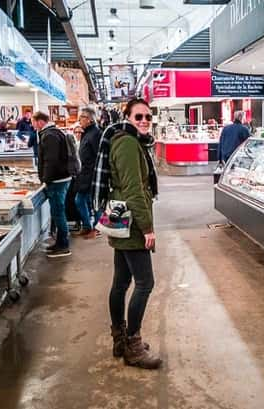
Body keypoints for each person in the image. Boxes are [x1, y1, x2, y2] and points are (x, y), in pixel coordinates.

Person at [106, 98, 161, 369]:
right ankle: (133, 346)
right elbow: (134, 191)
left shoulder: (128, 141)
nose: (143, 121)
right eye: (138, 116)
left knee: (121, 282)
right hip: (131, 224)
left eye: (148, 117)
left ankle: (119, 337)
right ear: (127, 117)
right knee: (145, 283)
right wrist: (147, 228)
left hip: (123, 222)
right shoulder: (128, 144)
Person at [33, 111, 80, 258]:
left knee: (58, 212)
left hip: (57, 180)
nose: (33, 125)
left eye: (33, 122)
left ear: (40, 121)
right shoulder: (55, 132)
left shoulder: (49, 135)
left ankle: (63, 246)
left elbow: (50, 160)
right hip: (62, 178)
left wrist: (45, 179)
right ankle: (60, 243)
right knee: (59, 211)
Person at [74, 108, 102, 239]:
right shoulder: (87, 133)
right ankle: (87, 226)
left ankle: (96, 228)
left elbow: (99, 155)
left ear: (90, 119)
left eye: (82, 117)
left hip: (93, 174)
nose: (79, 120)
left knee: (94, 202)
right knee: (79, 200)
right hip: (85, 173)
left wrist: (97, 174)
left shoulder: (96, 133)